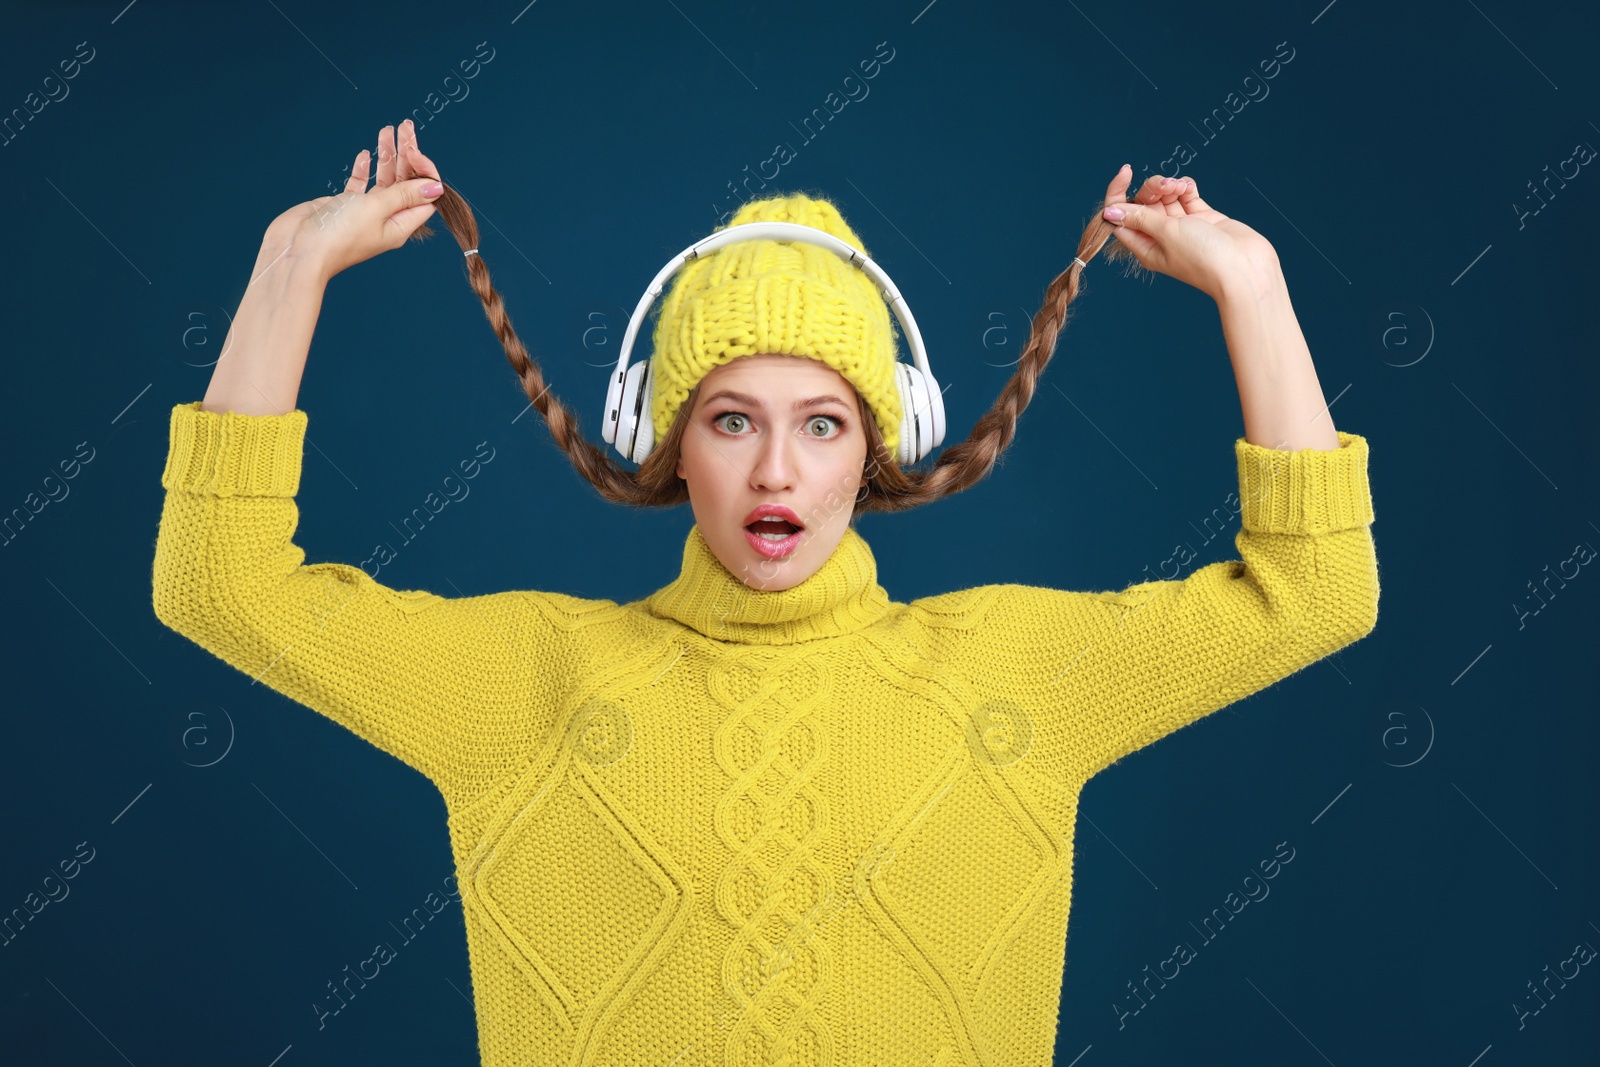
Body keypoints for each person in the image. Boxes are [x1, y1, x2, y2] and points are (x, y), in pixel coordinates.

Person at [151, 119, 1379, 1066]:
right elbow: (218, 580)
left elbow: (1316, 588)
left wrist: (1254, 284)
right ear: (669, 440)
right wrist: (289, 263)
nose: (777, 469)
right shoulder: (527, 683)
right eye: (732, 419)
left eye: (823, 422)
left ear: (877, 447)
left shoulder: (1014, 675)